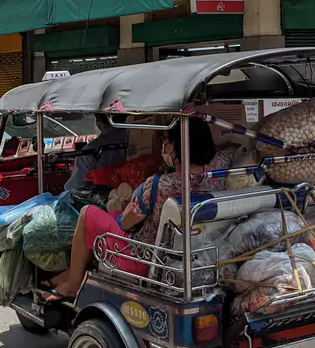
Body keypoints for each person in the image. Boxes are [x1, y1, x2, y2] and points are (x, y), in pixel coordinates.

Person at [48, 118, 218, 299]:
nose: (164, 146)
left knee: (87, 213)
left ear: (179, 147)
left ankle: (73, 283)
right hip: (190, 255)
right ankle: (73, 272)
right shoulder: (215, 180)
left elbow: (126, 223)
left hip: (144, 259)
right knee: (111, 214)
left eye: (167, 141)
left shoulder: (158, 185)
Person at [64, 115, 128, 191]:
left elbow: (75, 189)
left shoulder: (88, 152)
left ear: (98, 122)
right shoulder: (136, 138)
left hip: (102, 199)